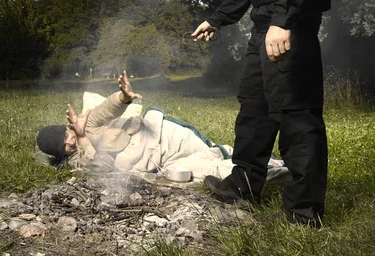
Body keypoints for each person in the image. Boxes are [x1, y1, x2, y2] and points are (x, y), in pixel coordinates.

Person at [192, 0, 328, 227]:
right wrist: (218, 18)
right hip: (264, 23)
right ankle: (244, 185)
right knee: (254, 107)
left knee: (295, 115)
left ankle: (303, 212)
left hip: (287, 24)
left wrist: (285, 20)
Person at [36, 71, 289, 182]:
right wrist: (80, 139)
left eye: (67, 135)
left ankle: (267, 160)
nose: (69, 142)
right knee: (209, 171)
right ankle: (272, 168)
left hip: (162, 135)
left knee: (214, 150)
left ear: (67, 127)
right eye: (64, 147)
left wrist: (124, 96)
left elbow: (108, 108)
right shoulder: (79, 163)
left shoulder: (86, 122)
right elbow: (101, 167)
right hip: (161, 164)